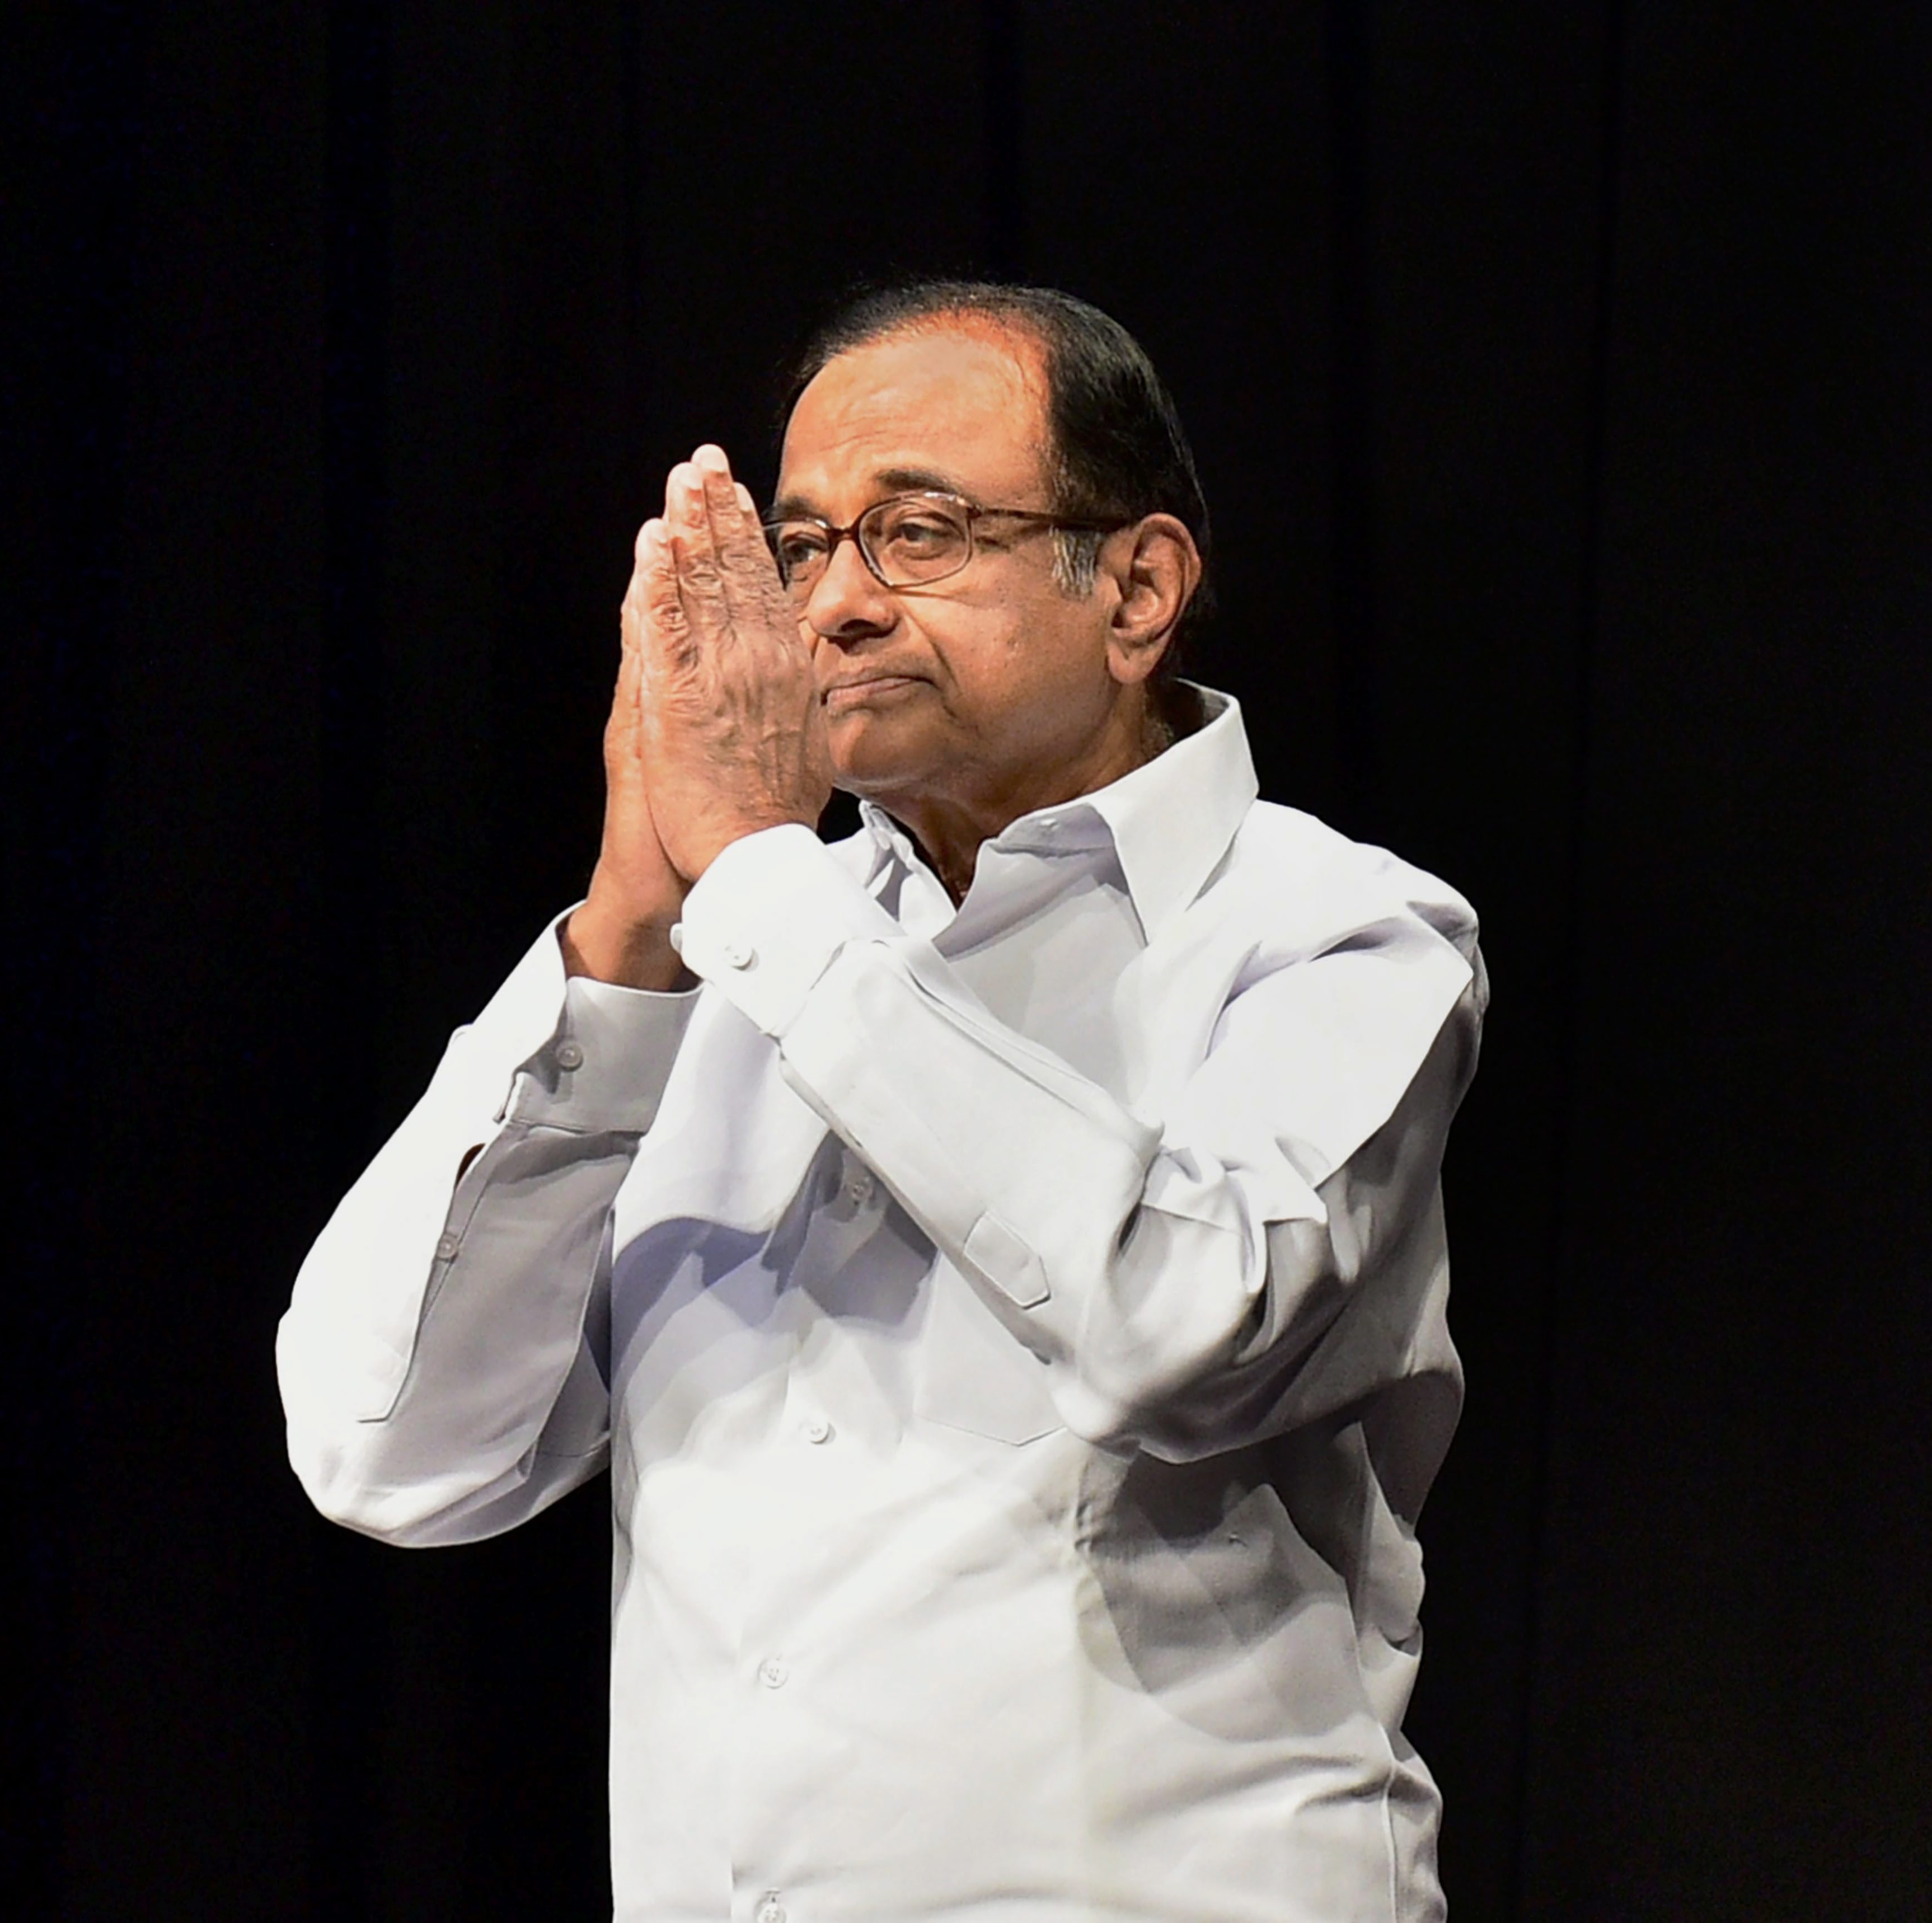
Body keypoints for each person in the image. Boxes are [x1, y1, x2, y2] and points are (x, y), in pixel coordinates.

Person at [276, 281, 1485, 1922]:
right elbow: (392, 1453)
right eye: (801, 549)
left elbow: (1176, 1323)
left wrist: (763, 890)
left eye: (918, 534)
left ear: (1138, 589)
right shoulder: (724, 957)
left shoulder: (1340, 934)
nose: (835, 607)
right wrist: (625, 937)